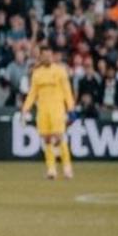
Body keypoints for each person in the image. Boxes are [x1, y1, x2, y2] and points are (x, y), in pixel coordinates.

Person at [21, 47, 75, 180]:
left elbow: (67, 90)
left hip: (57, 108)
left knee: (58, 137)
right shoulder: (37, 73)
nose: (47, 58)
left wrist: (71, 108)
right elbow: (32, 93)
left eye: (49, 56)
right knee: (46, 139)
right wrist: (25, 108)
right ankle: (51, 169)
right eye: (44, 56)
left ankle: (67, 167)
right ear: (40, 57)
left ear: (53, 56)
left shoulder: (60, 71)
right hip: (43, 110)